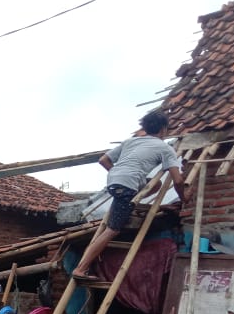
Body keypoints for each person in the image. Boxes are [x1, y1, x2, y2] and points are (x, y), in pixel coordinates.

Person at [71, 110, 187, 280]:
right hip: (126, 185)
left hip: (114, 181)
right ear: (163, 130)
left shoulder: (130, 142)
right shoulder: (165, 148)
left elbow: (103, 160)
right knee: (112, 229)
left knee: (157, 184)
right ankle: (80, 269)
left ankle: (131, 203)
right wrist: (185, 198)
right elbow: (178, 181)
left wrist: (119, 174)